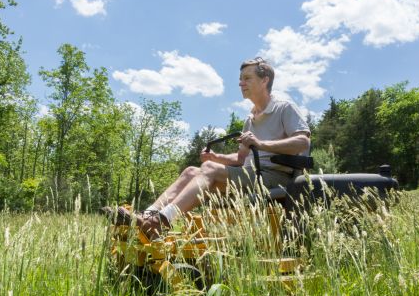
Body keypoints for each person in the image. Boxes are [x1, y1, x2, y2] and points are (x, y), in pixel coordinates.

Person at [106, 57, 311, 240]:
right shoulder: (250, 118)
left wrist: (261, 144)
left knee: (210, 169)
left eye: (247, 78)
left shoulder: (284, 107)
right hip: (249, 173)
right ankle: (148, 215)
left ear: (264, 80)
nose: (241, 83)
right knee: (191, 171)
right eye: (241, 78)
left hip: (274, 177)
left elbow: (303, 142)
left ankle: (162, 221)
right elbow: (241, 159)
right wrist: (215, 156)